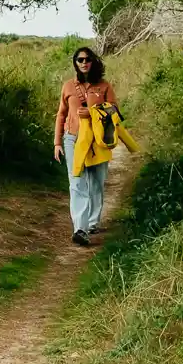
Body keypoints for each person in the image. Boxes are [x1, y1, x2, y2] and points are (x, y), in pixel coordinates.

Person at [54, 44, 118, 247]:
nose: (83, 63)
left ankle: (92, 223)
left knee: (97, 182)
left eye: (87, 60)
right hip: (73, 139)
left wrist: (92, 112)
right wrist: (57, 142)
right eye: (80, 60)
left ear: (93, 62)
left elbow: (114, 111)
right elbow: (61, 114)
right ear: (75, 63)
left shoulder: (104, 86)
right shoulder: (68, 87)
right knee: (77, 182)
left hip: (98, 141)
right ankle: (80, 229)